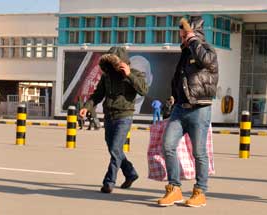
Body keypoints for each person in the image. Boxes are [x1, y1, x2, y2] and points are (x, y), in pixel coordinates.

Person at [157, 16, 218, 208]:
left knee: (199, 153)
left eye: (184, 34)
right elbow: (179, 80)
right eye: (182, 35)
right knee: (167, 145)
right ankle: (174, 189)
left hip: (199, 108)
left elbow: (205, 61)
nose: (181, 38)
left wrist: (192, 39)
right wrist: (173, 98)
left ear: (194, 33)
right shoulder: (184, 53)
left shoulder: (207, 50)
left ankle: (200, 191)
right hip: (180, 109)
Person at [79, 46, 148, 194]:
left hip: (124, 116)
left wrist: (129, 74)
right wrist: (86, 107)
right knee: (113, 149)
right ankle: (130, 173)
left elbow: (143, 90)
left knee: (116, 149)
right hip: (109, 116)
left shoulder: (134, 73)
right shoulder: (106, 76)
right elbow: (97, 95)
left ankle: (109, 182)